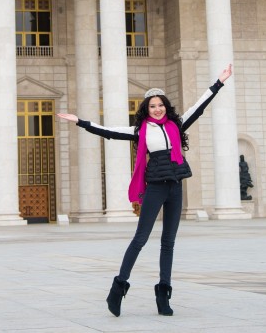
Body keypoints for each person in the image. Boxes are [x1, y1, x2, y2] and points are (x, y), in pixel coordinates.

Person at [57, 64, 232, 317]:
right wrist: (80, 122)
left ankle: (163, 295)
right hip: (155, 188)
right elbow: (109, 131)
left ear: (165, 106)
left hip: (175, 187)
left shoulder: (177, 125)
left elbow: (199, 106)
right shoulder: (140, 131)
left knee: (168, 242)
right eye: (152, 106)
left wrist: (219, 82)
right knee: (140, 239)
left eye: (160, 105)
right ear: (146, 109)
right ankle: (118, 288)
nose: (157, 109)